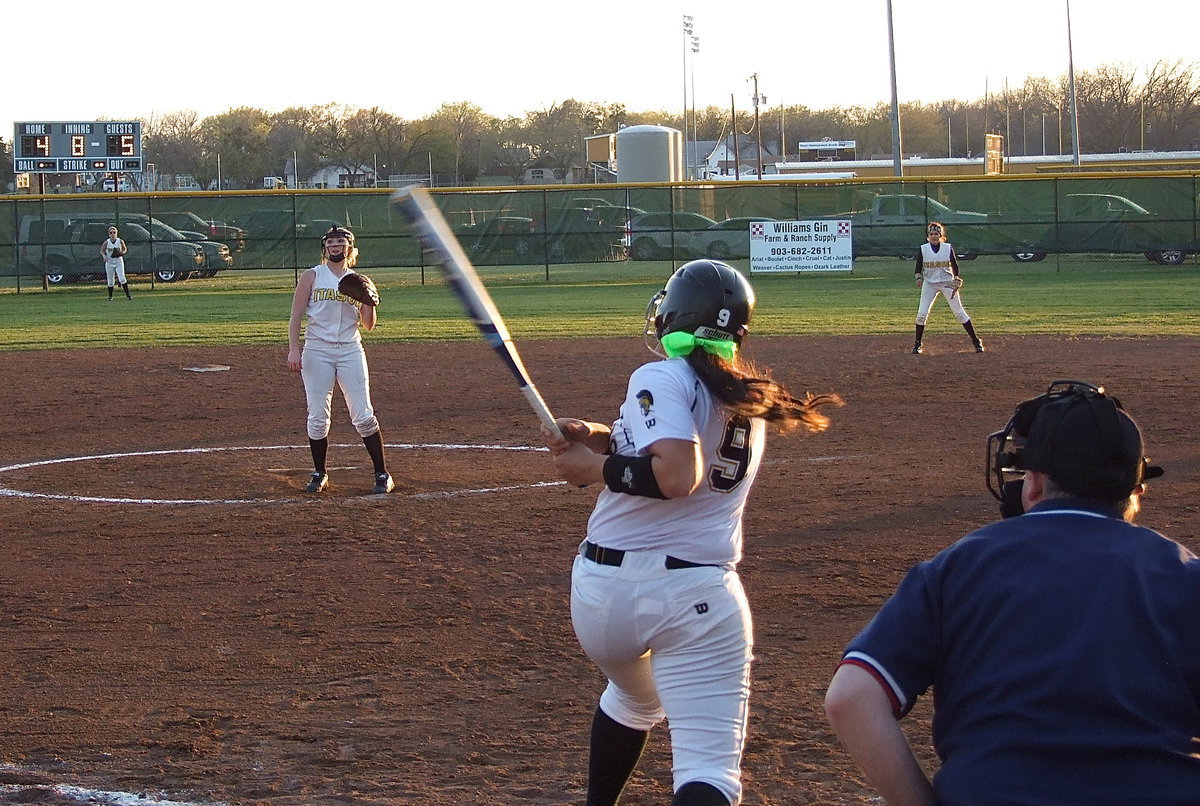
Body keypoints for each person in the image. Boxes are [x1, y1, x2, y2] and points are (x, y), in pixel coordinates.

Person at [541, 259, 842, 806]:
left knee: (634, 701)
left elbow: (677, 474)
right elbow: (669, 450)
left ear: (674, 314)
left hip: (601, 599)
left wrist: (592, 469)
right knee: (708, 769)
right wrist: (599, 436)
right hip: (694, 596)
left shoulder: (658, 376)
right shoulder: (749, 396)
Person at [824, 379, 1199, 806]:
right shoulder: (1185, 575)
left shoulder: (961, 566)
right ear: (1135, 493)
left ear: (1034, 483)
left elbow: (851, 698)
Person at [287, 225, 393, 495]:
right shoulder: (312, 276)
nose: (335, 246)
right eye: (331, 242)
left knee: (363, 414)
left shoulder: (359, 279)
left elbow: (368, 325)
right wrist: (294, 349)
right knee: (318, 417)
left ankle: (382, 474)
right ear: (325, 248)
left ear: (350, 248)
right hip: (317, 350)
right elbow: (296, 315)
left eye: (341, 242)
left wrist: (369, 302)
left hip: (349, 349)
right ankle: (319, 472)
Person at [911, 221, 983, 354]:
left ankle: (976, 341)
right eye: (931, 234)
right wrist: (919, 278)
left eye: (936, 234)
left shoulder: (947, 248)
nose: (933, 236)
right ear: (928, 236)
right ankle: (917, 344)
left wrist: (956, 278)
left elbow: (955, 266)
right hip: (930, 284)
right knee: (921, 315)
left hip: (947, 283)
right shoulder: (923, 249)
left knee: (959, 313)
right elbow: (918, 268)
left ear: (941, 235)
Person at [101, 225, 132, 300]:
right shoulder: (106, 242)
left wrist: (121, 252)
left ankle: (128, 296)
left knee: (122, 278)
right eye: (111, 232)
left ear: (116, 233)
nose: (112, 234)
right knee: (110, 281)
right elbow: (102, 251)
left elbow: (125, 249)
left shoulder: (120, 241)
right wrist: (104, 256)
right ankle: (110, 296)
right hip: (109, 262)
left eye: (114, 232)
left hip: (118, 262)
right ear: (109, 234)